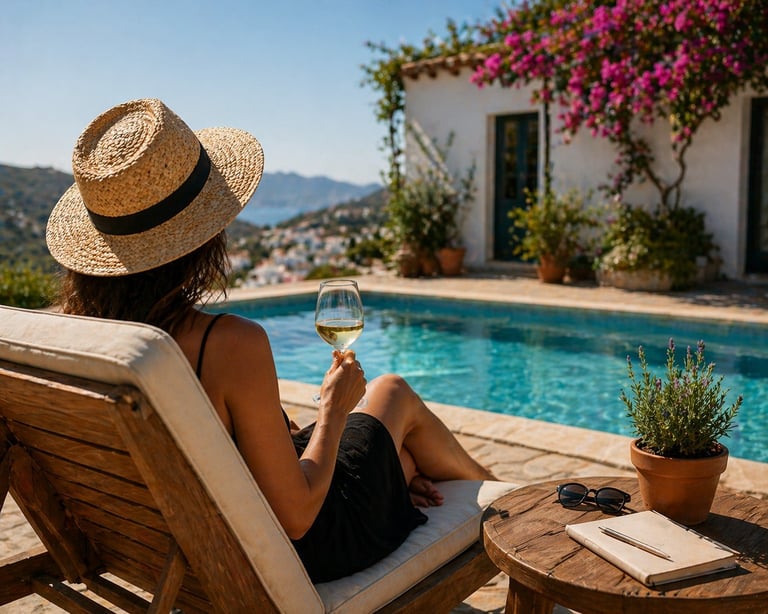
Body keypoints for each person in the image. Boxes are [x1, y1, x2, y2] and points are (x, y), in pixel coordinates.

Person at [46, 98, 495, 583]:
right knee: (390, 391)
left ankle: (406, 478)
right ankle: (512, 504)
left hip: (174, 556)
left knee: (402, 458)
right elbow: (297, 517)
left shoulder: (75, 340)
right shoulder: (228, 343)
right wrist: (334, 408)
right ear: (201, 237)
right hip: (298, 551)